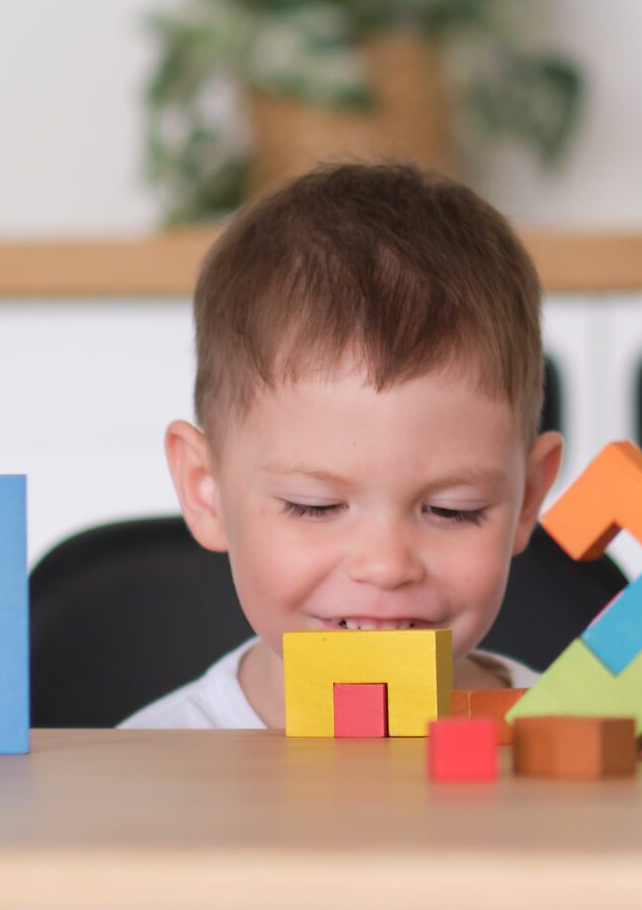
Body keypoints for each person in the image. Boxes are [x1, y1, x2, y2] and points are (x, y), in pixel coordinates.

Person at [122, 162, 562, 727]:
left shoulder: (573, 747)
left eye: (454, 511)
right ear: (205, 491)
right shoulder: (146, 774)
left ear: (529, 498)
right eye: (316, 506)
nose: (385, 566)